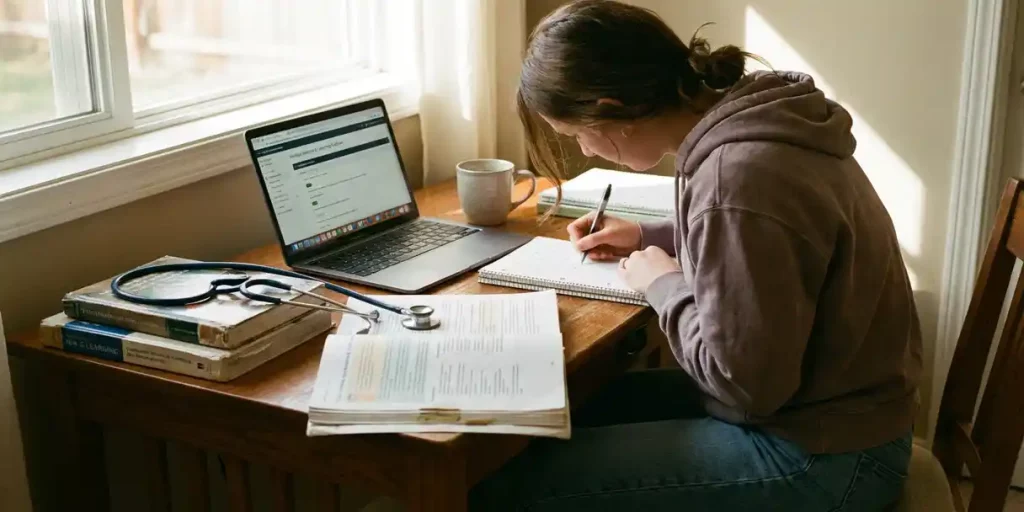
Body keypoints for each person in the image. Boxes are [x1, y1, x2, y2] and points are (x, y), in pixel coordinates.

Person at [469, 1, 923, 510]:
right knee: (563, 412)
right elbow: (766, 246)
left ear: (610, 108)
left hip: (826, 456)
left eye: (578, 135)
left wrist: (663, 283)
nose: (589, 152)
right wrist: (651, 235)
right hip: (838, 414)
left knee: (507, 485)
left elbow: (746, 383)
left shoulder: (738, 176)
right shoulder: (756, 122)